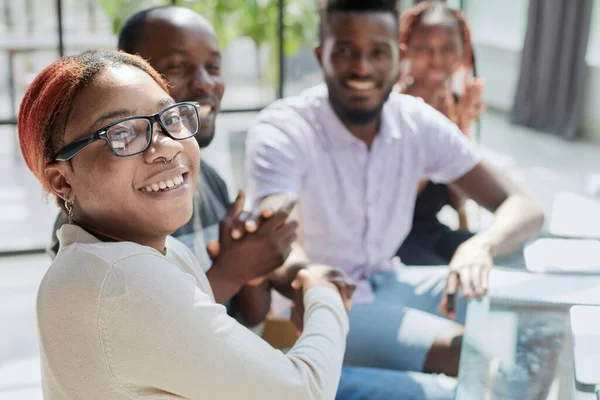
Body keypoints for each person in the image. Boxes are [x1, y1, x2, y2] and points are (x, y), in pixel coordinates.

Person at [19, 49, 352, 399]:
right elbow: (305, 392)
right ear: (62, 181)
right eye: (121, 134)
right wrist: (323, 292)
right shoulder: (123, 280)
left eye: (169, 117)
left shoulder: (126, 257)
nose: (165, 148)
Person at [246, 0, 544, 383]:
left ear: (398, 56)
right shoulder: (284, 129)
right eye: (346, 51)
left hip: (390, 279)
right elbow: (275, 239)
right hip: (322, 301)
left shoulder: (415, 121)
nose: (363, 67)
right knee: (471, 356)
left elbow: (523, 205)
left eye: (378, 52)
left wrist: (480, 246)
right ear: (322, 55)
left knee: (530, 311)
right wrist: (307, 276)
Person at [47, 6, 283, 326]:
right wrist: (232, 270)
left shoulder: (203, 179)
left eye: (213, 66)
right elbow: (145, 330)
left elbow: (250, 319)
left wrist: (253, 268)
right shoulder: (97, 215)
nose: (204, 84)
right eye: (177, 66)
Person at [395, 1, 486, 266]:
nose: (436, 59)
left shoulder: (456, 105)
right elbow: (390, 208)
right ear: (406, 49)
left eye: (448, 48)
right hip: (390, 241)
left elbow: (459, 199)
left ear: (462, 52)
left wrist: (460, 133)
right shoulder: (389, 108)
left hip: (431, 231)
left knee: (495, 258)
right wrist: (436, 139)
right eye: (424, 48)